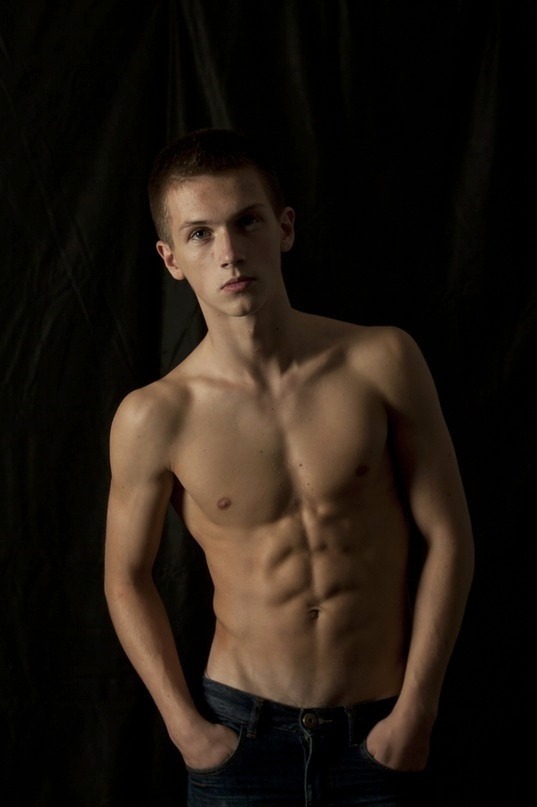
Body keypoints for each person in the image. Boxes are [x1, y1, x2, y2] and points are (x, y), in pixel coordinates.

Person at [104, 127, 474, 806]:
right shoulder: (154, 416)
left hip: (382, 728)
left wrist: (417, 711)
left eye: (246, 221)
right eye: (200, 234)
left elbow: (449, 535)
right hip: (240, 736)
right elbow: (125, 578)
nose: (229, 251)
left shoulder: (381, 361)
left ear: (284, 227)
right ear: (171, 258)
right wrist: (186, 729)